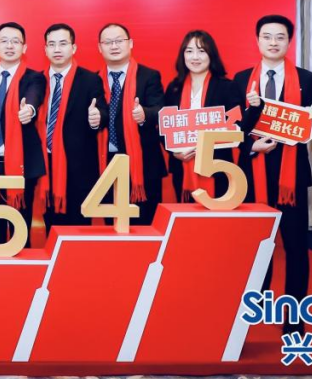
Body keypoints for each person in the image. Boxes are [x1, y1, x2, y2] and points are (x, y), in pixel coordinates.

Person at [231, 15, 312, 334]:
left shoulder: (306, 79)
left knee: (296, 247)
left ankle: (294, 315)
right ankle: (257, 304)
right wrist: (251, 139)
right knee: (256, 245)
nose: (273, 42)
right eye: (267, 36)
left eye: (280, 37)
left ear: (289, 41)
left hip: (292, 178)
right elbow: (232, 128)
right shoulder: (241, 80)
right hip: (252, 175)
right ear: (257, 40)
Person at [0, 22, 45, 245]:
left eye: (15, 42)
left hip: (22, 163)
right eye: (4, 41)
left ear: (24, 48)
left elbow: (34, 96)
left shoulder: (34, 78)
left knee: (21, 229)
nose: (9, 46)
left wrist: (30, 109)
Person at [96, 23, 165, 226]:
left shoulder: (149, 76)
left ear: (130, 43)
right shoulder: (93, 80)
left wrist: (144, 115)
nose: (114, 46)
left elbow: (160, 109)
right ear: (100, 47)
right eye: (108, 42)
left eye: (119, 41)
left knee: (145, 226)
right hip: (106, 162)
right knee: (112, 226)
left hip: (143, 163)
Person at [38, 23, 105, 230]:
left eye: (63, 44)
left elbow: (102, 110)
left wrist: (97, 118)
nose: (57, 49)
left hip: (78, 168)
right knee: (51, 227)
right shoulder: (36, 80)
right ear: (45, 49)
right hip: (44, 166)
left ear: (73, 48)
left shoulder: (90, 80)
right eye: (52, 44)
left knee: (78, 229)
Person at [163, 30, 234, 203]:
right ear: (183, 55)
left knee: (216, 216)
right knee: (187, 214)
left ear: (211, 55)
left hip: (217, 166)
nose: (195, 57)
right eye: (189, 51)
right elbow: (164, 126)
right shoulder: (174, 88)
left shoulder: (226, 86)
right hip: (182, 166)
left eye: (201, 51)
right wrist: (174, 151)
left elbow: (236, 122)